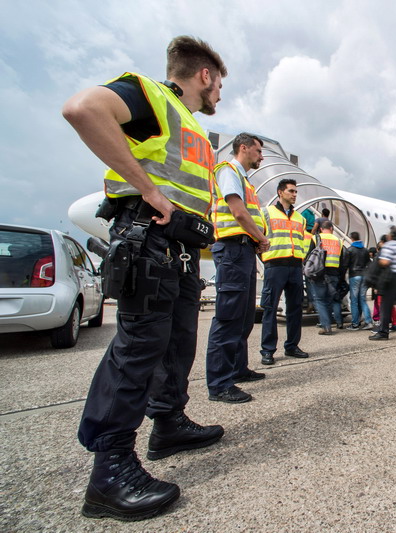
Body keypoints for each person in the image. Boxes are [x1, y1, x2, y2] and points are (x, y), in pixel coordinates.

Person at [63, 36, 227, 521]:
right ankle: (110, 472)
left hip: (179, 250)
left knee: (175, 342)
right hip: (148, 239)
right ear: (205, 75)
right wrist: (149, 192)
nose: (220, 93)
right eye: (220, 84)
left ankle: (168, 423)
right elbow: (82, 108)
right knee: (138, 347)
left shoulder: (190, 125)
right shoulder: (151, 96)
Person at [204, 133, 270, 404]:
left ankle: (237, 368)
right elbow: (239, 213)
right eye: (257, 151)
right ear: (243, 148)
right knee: (229, 316)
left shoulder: (244, 179)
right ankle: (219, 384)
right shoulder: (229, 172)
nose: (261, 156)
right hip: (232, 250)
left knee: (243, 316)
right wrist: (262, 238)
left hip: (243, 250)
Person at [260, 178, 311, 364]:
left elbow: (303, 243)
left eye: (296, 191)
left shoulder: (301, 218)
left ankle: (291, 346)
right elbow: (259, 238)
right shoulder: (266, 213)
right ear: (280, 192)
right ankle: (267, 350)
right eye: (291, 191)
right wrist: (266, 260)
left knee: (296, 308)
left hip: (295, 266)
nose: (294, 194)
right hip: (275, 266)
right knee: (270, 308)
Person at [312, 221, 345, 334]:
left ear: (321, 229)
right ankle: (331, 323)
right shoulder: (339, 241)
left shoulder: (316, 238)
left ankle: (326, 326)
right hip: (334, 273)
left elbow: (309, 256)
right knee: (330, 300)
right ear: (332, 228)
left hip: (319, 273)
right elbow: (341, 260)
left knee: (320, 300)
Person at [344, 231, 373, 330]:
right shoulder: (365, 250)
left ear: (352, 239)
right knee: (363, 300)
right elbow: (369, 263)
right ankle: (369, 322)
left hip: (354, 276)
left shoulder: (350, 250)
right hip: (364, 276)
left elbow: (345, 264)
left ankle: (355, 323)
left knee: (354, 301)